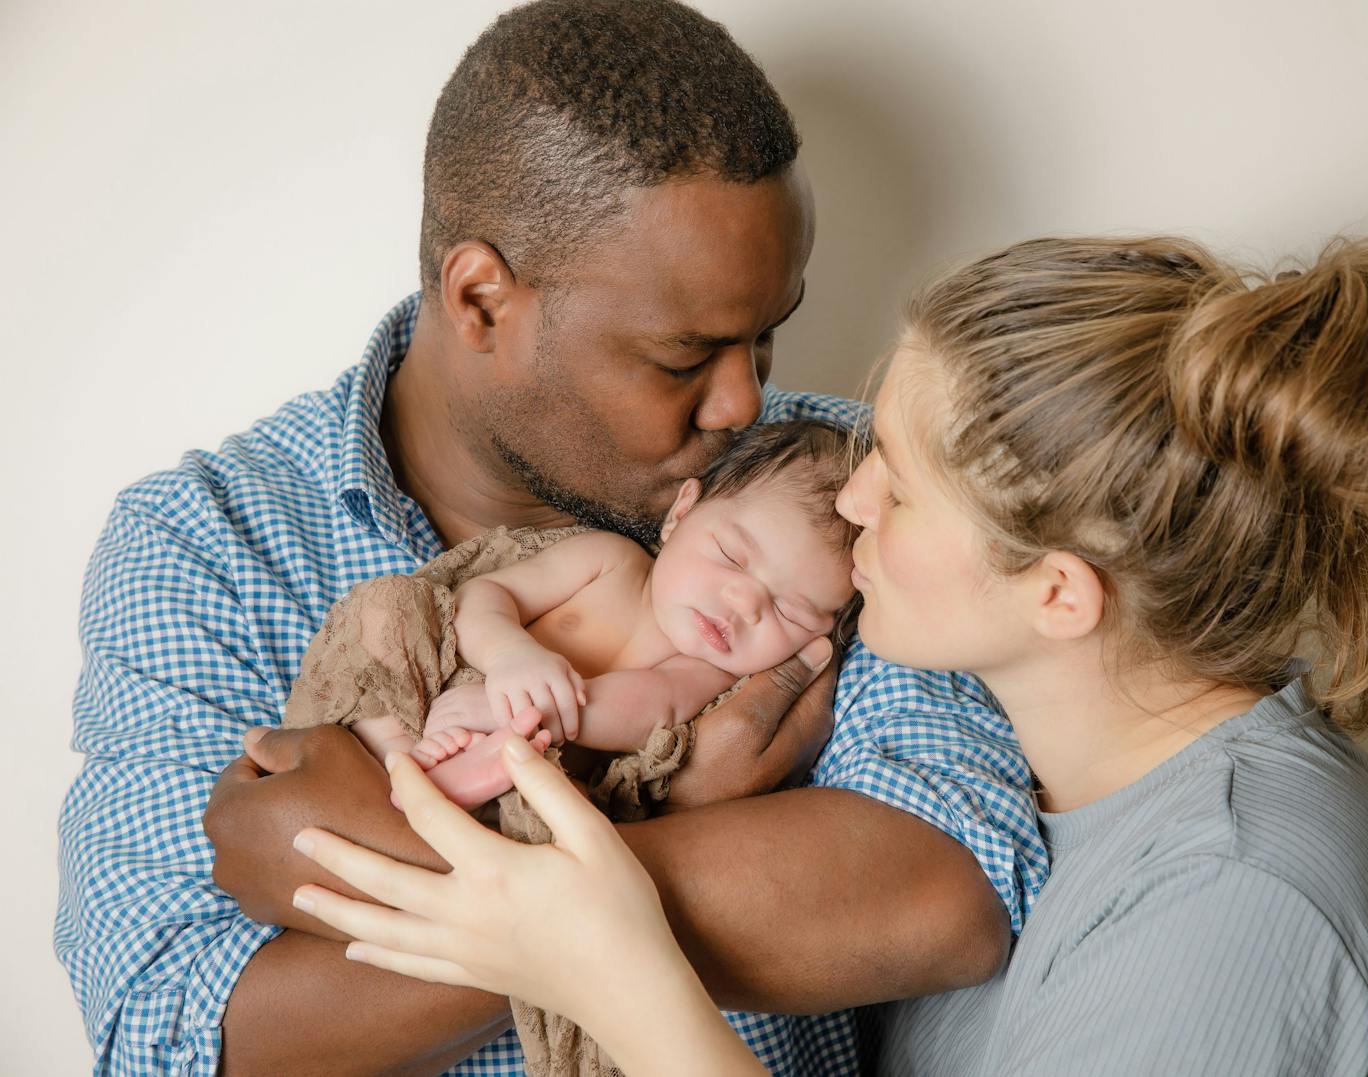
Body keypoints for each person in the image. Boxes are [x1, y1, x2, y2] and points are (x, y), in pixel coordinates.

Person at [54, 3, 1044, 1074]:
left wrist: (423, 869)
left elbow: (949, 889)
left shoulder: (829, 486)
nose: (740, 405)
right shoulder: (213, 544)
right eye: (682, 357)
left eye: (767, 337)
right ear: (481, 299)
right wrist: (694, 816)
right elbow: (185, 1033)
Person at [293, 233, 1368, 1075]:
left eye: (902, 487)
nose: (853, 503)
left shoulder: (1238, 902)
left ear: (1056, 594)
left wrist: (618, 977)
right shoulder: (1084, 790)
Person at [337, 420, 861, 805]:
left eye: (791, 611)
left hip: (528, 742)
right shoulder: (608, 559)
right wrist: (512, 657)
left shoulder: (710, 670)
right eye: (730, 555)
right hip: (441, 679)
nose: (745, 606)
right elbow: (487, 597)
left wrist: (519, 713)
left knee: (566, 800)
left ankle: (454, 782)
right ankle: (393, 747)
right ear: (682, 513)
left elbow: (650, 709)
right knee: (388, 609)